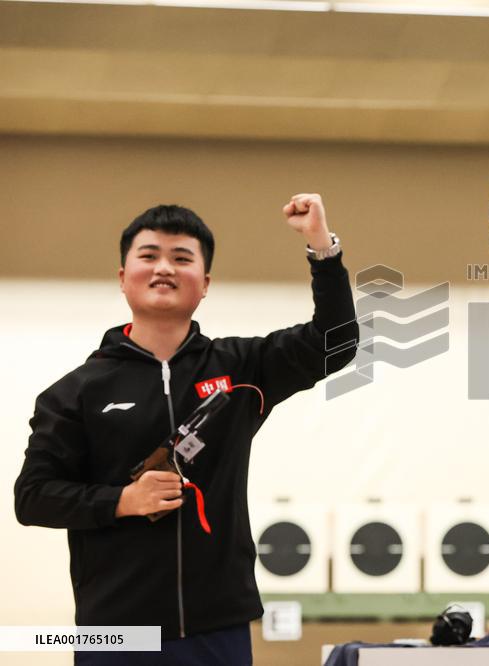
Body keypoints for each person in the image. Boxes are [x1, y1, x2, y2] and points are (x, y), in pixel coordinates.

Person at [14, 195, 359, 664]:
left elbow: (335, 342)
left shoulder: (242, 368)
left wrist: (322, 247)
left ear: (205, 283)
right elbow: (32, 496)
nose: (164, 268)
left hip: (217, 629)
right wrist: (121, 501)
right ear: (122, 277)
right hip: (114, 632)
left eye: (182, 258)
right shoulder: (76, 392)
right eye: (149, 255)